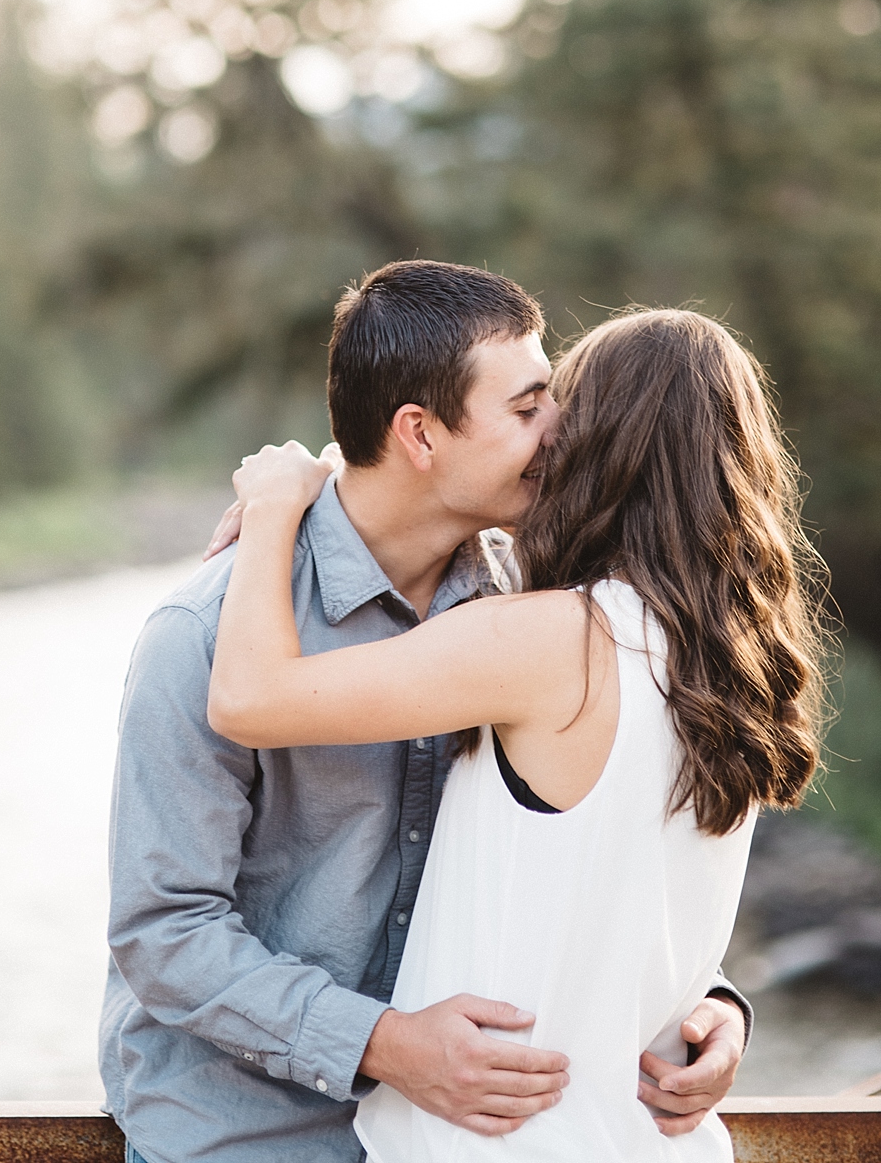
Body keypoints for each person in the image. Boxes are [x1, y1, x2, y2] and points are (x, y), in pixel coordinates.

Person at [101, 263, 753, 1163]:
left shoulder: (533, 614)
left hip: (456, 1140)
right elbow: (165, 933)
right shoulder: (207, 634)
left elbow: (581, 856)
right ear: (420, 434)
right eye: (529, 411)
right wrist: (389, 1047)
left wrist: (706, 1001)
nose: (561, 434)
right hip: (251, 1140)